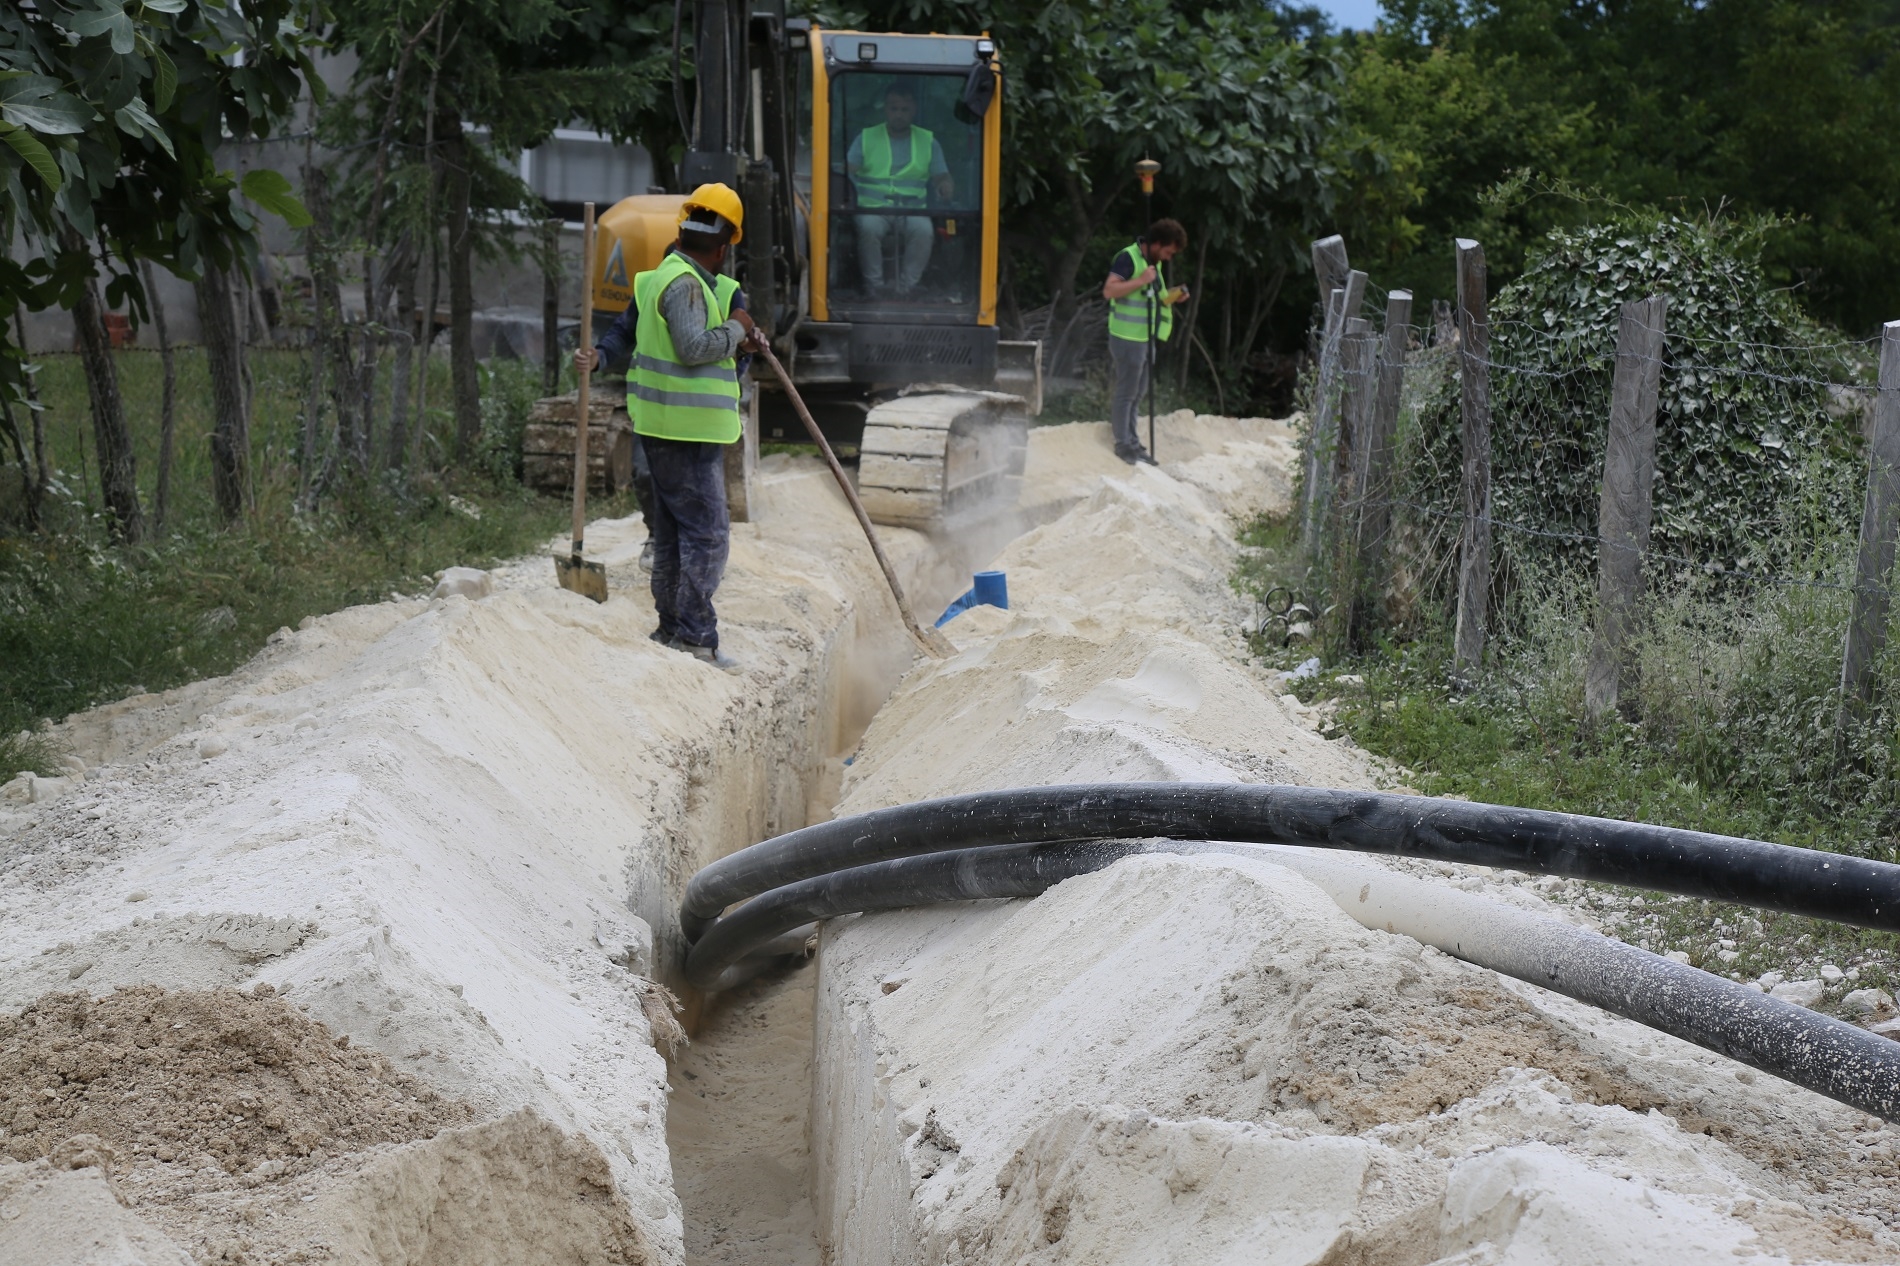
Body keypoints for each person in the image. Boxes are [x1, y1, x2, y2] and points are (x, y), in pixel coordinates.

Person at [575, 183, 758, 673]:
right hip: (684, 430)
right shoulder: (680, 284)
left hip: (669, 424)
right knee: (708, 537)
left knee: (676, 534)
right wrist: (739, 330)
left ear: (683, 229)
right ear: (725, 245)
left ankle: (673, 629)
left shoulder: (674, 280)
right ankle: (696, 637)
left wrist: (742, 344)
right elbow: (694, 348)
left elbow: (715, 352)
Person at [848, 80, 953, 295]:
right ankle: (874, 288)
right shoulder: (866, 137)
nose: (899, 114)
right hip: (873, 209)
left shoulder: (928, 141)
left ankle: (906, 289)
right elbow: (848, 170)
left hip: (912, 210)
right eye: (894, 108)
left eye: (904, 109)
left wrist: (945, 185)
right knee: (868, 229)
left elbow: (942, 176)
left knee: (924, 231)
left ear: (914, 110)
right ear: (885, 109)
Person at [1101, 219, 1189, 465]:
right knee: (1127, 393)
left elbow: (1155, 298)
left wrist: (1174, 296)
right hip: (1127, 337)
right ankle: (1123, 444)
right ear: (1157, 244)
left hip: (1144, 337)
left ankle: (1132, 441)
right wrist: (1141, 280)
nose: (1169, 257)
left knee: (1138, 393)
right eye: (1168, 251)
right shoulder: (1128, 258)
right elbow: (1109, 290)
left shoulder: (1153, 264)